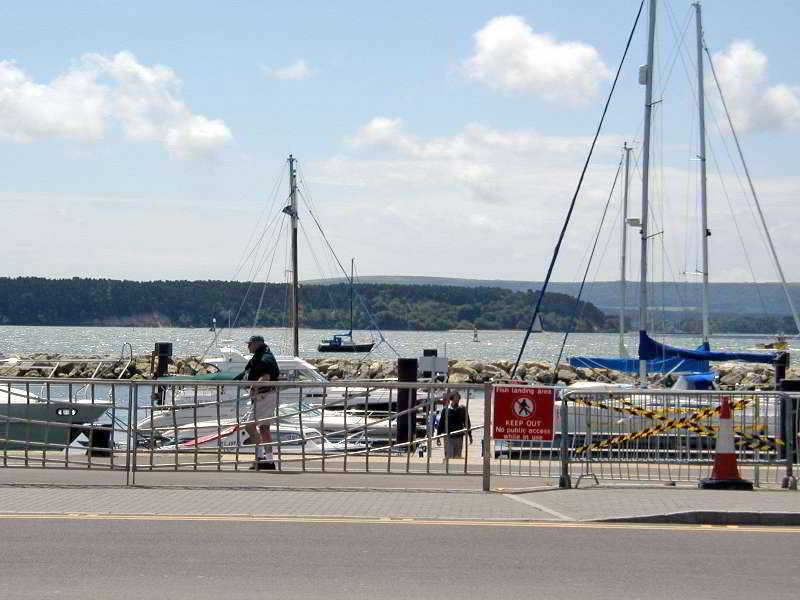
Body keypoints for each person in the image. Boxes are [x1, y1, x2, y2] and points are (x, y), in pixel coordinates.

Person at [234, 335, 280, 470]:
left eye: (250, 344)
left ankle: (265, 459)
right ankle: (265, 459)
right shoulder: (261, 356)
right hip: (263, 396)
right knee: (261, 427)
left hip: (265, 396)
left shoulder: (264, 358)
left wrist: (255, 387)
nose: (248, 346)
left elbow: (266, 376)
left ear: (258, 343)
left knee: (256, 427)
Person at [436, 391, 472, 459]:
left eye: (458, 398)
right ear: (451, 399)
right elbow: (441, 423)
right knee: (449, 456)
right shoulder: (445, 410)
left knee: (457, 456)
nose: (457, 399)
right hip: (448, 436)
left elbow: (467, 422)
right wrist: (438, 436)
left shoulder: (462, 409)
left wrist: (470, 435)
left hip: (459, 436)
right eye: (456, 397)